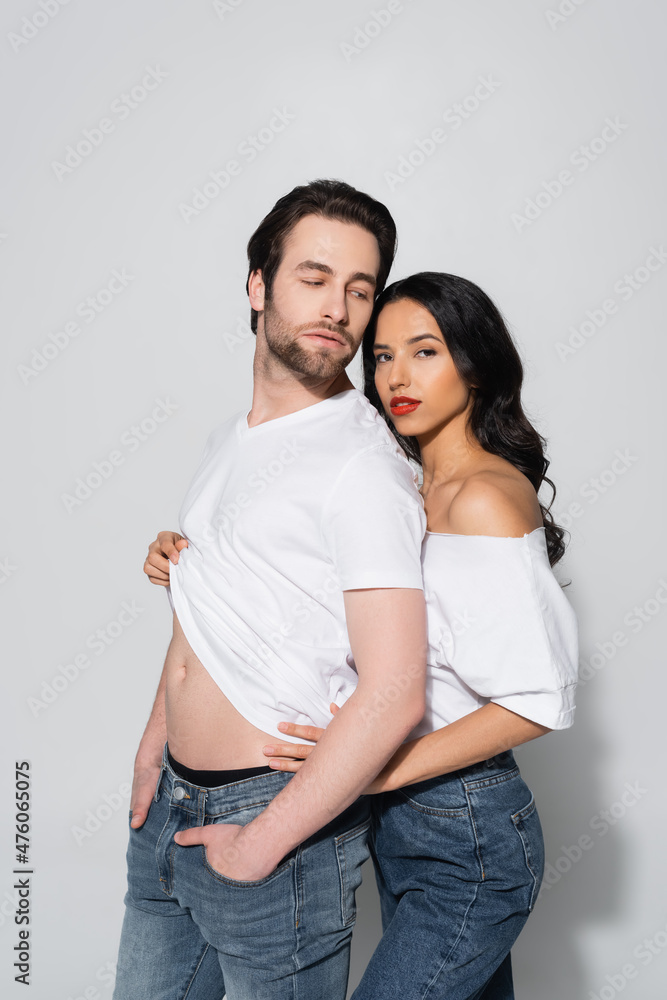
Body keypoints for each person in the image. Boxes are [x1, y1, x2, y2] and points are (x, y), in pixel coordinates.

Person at [151, 272, 579, 998]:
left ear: (474, 365)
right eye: (381, 356)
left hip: (466, 832)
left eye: (424, 351)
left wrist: (376, 768)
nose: (396, 377)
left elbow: (538, 701)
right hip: (405, 827)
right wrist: (184, 557)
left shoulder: (483, 496)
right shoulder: (401, 483)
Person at [113, 180, 430, 1000]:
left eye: (358, 290)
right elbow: (207, 615)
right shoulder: (231, 438)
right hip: (169, 807)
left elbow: (396, 689)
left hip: (272, 821)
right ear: (257, 285)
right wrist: (152, 751)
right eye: (313, 278)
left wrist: (260, 842)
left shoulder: (362, 465)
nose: (337, 309)